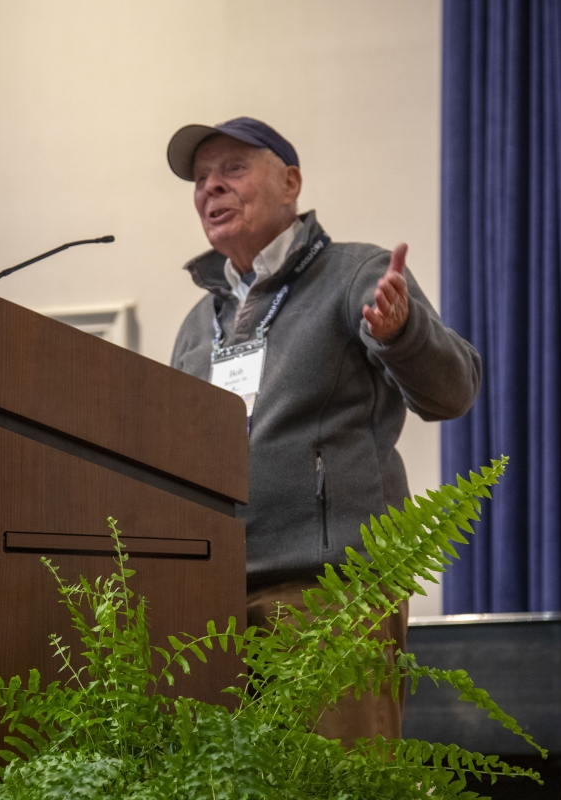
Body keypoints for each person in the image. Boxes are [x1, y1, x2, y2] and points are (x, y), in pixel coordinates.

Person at [167, 117, 482, 741]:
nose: (211, 189)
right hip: (211, 610)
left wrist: (400, 333)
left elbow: (454, 390)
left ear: (290, 183)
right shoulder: (194, 327)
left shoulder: (354, 275)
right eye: (201, 179)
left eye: (232, 169)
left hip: (330, 593)